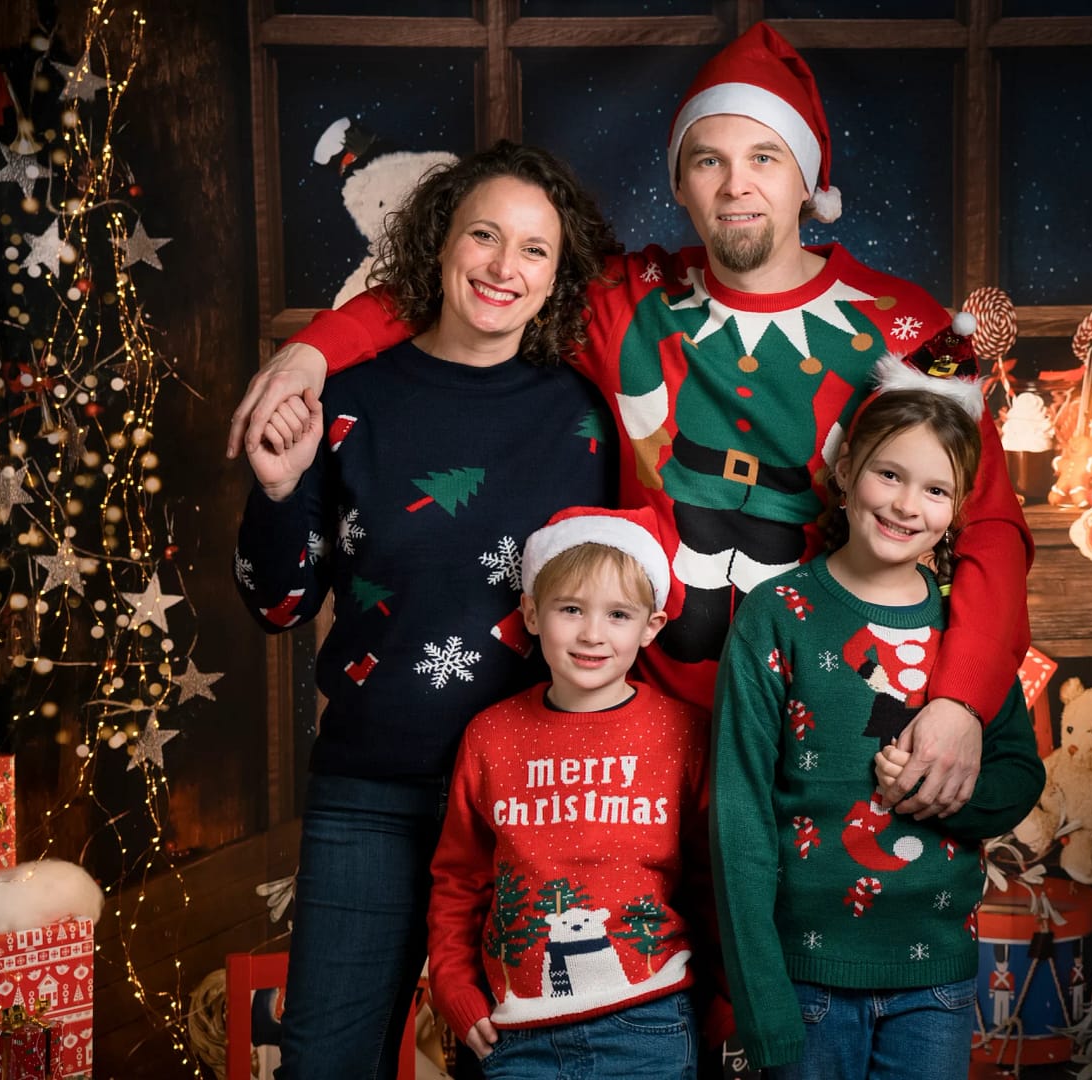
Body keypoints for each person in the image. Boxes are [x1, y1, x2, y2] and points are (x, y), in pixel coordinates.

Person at [228, 22, 1031, 826]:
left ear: (806, 181)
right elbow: (463, 289)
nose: (734, 187)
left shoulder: (908, 330)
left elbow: (986, 522)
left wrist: (960, 701)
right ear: (678, 182)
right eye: (707, 160)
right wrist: (309, 355)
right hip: (637, 737)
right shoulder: (629, 299)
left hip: (825, 724)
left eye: (764, 158)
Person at [234, 140, 621, 1078]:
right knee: (326, 1060)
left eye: (533, 250)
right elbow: (279, 607)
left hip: (536, 804)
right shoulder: (348, 399)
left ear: (558, 275)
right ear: (437, 245)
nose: (502, 267)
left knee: (524, 1064)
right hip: (373, 792)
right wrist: (280, 491)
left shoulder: (589, 414)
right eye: (482, 235)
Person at [710, 361, 1046, 1078]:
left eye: (935, 489)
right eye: (887, 475)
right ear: (846, 472)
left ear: (957, 511)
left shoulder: (965, 632)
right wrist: (760, 1000)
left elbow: (1019, 775)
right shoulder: (776, 616)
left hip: (937, 981)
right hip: (805, 982)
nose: (904, 505)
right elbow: (739, 815)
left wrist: (951, 798)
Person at [427, 505, 725, 1078]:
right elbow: (458, 879)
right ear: (532, 614)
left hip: (651, 1023)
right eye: (570, 610)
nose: (592, 634)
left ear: (651, 626)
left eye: (618, 614)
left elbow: (715, 879)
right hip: (516, 1033)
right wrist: (453, 988)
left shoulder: (684, 732)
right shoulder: (490, 735)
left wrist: (730, 1000)